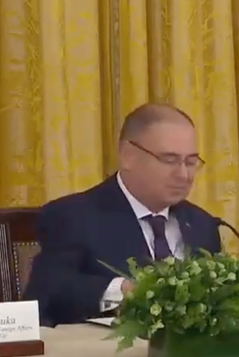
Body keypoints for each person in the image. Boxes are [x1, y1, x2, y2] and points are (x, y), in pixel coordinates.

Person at [24, 103, 222, 326]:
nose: (184, 175)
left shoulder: (202, 224)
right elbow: (47, 295)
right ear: (128, 156)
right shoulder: (73, 216)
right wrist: (121, 291)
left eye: (191, 162)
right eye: (169, 160)